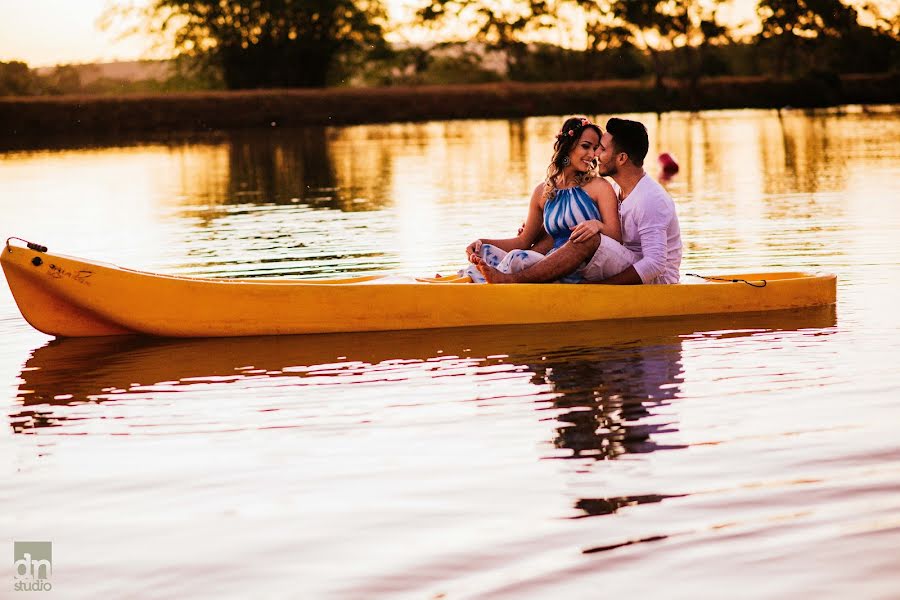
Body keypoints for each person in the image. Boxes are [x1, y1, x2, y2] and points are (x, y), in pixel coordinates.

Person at [476, 118, 682, 285]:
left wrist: (601, 288)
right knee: (577, 235)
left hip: (656, 283)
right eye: (594, 148)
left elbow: (655, 265)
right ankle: (477, 279)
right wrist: (540, 231)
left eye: (602, 149)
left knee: (587, 238)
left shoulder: (650, 199)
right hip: (622, 262)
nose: (596, 155)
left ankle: (511, 281)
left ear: (621, 159)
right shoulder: (620, 189)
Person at [461, 116, 623, 283]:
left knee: (517, 258)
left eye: (595, 148)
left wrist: (597, 226)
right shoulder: (542, 192)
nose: (592, 154)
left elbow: (616, 237)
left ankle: (487, 283)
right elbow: (523, 241)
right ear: (568, 146)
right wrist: (480, 242)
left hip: (581, 267)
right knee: (485, 251)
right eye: (585, 146)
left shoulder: (599, 186)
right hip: (548, 263)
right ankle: (462, 284)